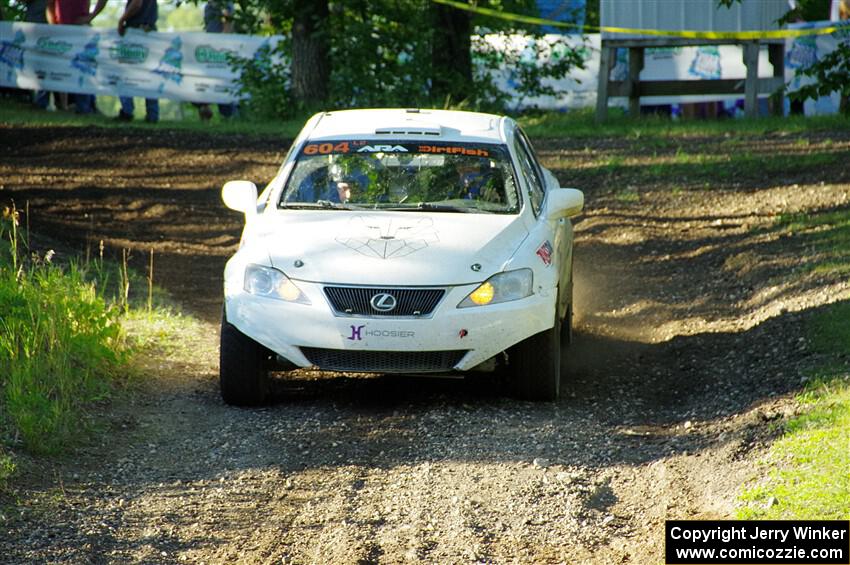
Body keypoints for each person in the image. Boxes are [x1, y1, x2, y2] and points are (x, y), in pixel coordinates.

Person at [45, 0, 106, 114]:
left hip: (81, 29)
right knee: (61, 69)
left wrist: (90, 17)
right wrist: (53, 25)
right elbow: (50, 5)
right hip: (62, 30)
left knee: (84, 69)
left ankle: (85, 106)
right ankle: (63, 106)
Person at [115, 0, 159, 122]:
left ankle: (127, 111)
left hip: (136, 31)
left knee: (125, 73)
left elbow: (137, 3)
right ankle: (152, 114)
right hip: (150, 30)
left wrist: (121, 20)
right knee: (150, 75)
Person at [194, 0, 236, 121]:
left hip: (220, 49)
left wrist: (223, 43)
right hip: (210, 48)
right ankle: (205, 107)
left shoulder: (225, 4)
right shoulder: (208, 5)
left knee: (222, 81)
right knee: (206, 81)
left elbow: (228, 22)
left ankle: (228, 115)